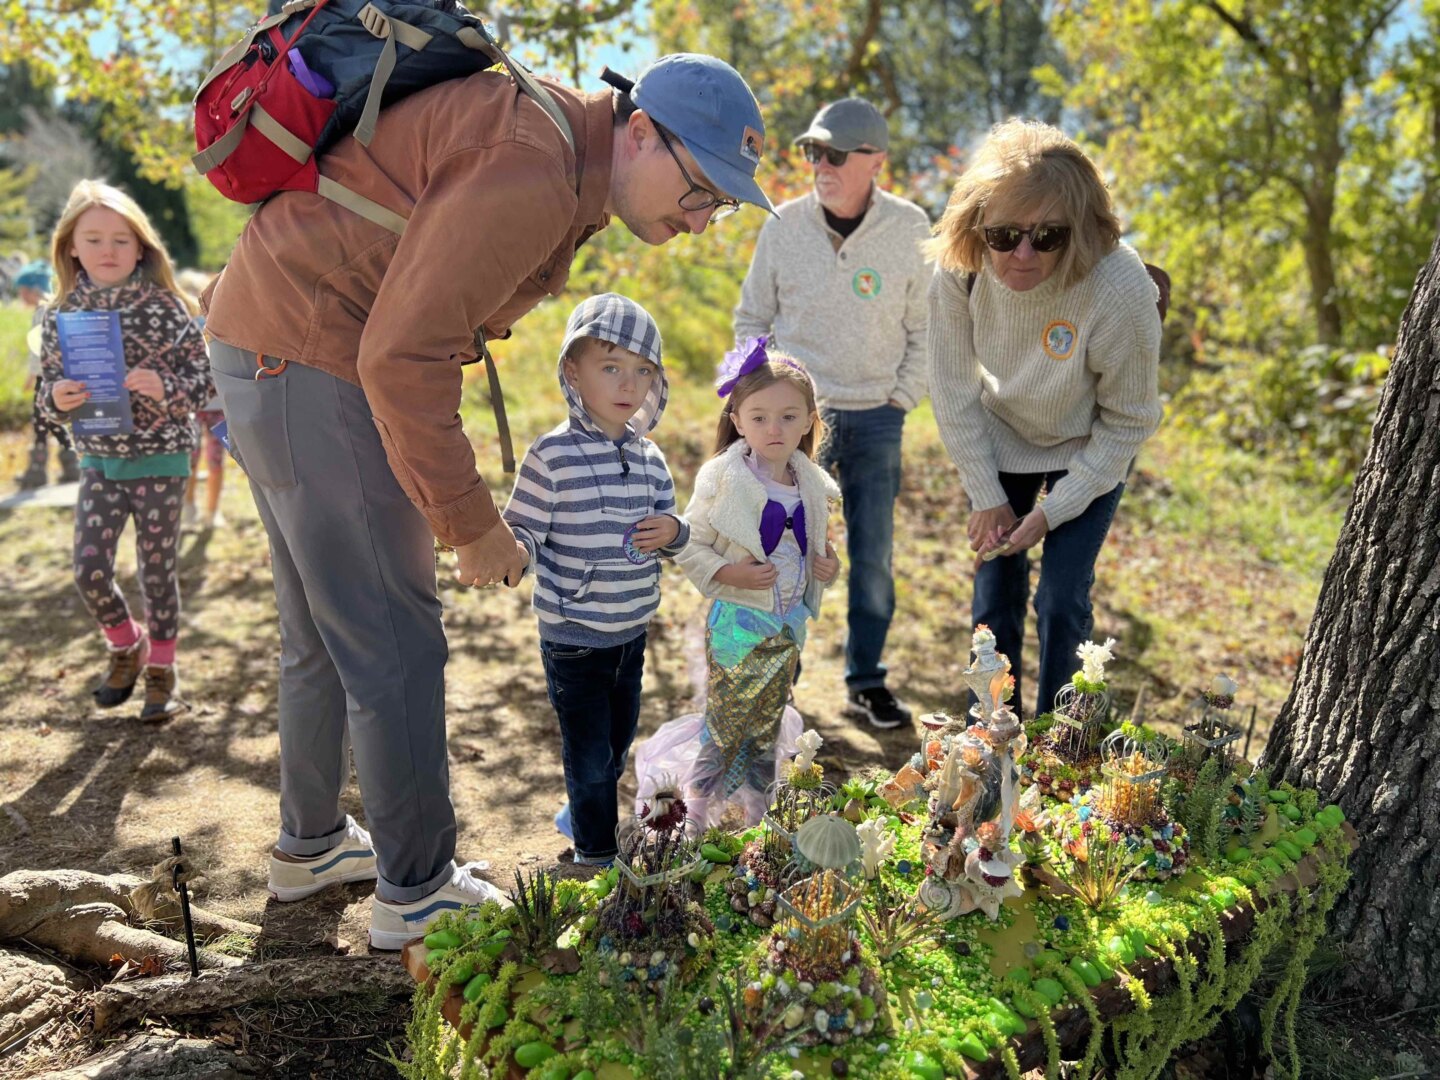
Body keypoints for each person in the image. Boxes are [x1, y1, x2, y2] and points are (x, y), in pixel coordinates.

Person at [202, 53, 775, 950]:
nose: (702, 223)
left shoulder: (564, 153)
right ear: (638, 132)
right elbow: (401, 359)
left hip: (273, 339)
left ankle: (311, 842)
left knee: (323, 625)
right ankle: (417, 889)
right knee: (394, 631)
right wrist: (469, 522)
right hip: (311, 352)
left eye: (721, 207)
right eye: (701, 191)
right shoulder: (532, 163)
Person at [925, 118, 1162, 718]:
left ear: (1079, 231)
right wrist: (986, 494)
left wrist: (1053, 511)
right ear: (978, 226)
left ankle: (1061, 739)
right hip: (1003, 430)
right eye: (1004, 235)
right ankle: (989, 729)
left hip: (1090, 441)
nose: (1022, 254)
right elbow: (952, 389)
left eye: (1047, 236)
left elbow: (1131, 419)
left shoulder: (1118, 285)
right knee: (995, 590)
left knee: (1060, 596)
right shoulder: (961, 267)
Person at [734, 97, 930, 730]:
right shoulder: (783, 225)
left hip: (877, 417)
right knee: (784, 551)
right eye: (813, 151)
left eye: (836, 154)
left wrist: (900, 400)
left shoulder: (911, 229)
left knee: (872, 557)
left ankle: (866, 682)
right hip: (791, 424)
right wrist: (756, 401)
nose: (821, 164)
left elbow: (928, 329)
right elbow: (750, 320)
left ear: (875, 161)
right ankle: (775, 681)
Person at [502, 294, 688, 867]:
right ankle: (595, 852)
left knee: (614, 745)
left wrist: (673, 532)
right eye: (610, 366)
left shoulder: (651, 457)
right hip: (574, 635)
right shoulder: (551, 456)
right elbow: (523, 529)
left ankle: (586, 811)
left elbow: (677, 532)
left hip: (631, 631)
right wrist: (511, 554)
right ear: (573, 370)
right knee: (587, 753)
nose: (627, 383)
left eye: (642, 370)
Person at [635, 339, 840, 830]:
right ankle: (697, 811)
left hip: (788, 627)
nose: (775, 429)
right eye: (761, 417)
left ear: (810, 419)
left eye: (789, 417)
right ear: (738, 418)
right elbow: (690, 543)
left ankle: (758, 810)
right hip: (737, 625)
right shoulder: (724, 477)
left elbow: (816, 549)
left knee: (766, 725)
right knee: (726, 725)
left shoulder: (810, 481)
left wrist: (826, 568)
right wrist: (732, 574)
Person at [37, 180, 213, 722]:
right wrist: (57, 398)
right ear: (71, 246)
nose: (108, 251)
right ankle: (125, 645)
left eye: (121, 239)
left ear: (141, 247)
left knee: (156, 571)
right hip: (98, 460)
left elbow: (207, 386)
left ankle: (162, 666)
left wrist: (166, 389)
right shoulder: (59, 315)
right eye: (93, 239)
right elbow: (45, 402)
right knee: (89, 569)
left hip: (162, 459)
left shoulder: (166, 307)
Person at [14, 259, 80, 490]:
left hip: (46, 378)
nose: (21, 296)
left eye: (22, 291)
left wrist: (32, 376)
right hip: (50, 377)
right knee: (47, 422)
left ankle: (40, 470)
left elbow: (39, 350)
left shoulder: (44, 311)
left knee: (43, 423)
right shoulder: (49, 309)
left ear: (33, 290)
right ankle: (69, 462)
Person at [176, 269, 226, 532]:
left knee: (215, 461)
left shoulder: (217, 323)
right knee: (190, 460)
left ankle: (213, 510)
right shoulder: (178, 329)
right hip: (192, 407)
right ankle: (189, 506)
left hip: (218, 405)